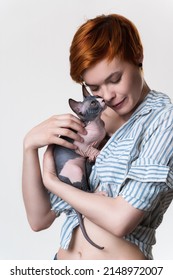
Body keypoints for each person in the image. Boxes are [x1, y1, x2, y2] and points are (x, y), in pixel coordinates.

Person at [22, 13, 173, 260]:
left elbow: (120, 220)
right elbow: (40, 219)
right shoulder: (93, 124)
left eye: (115, 79)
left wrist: (53, 182)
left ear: (138, 56)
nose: (108, 95)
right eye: (95, 88)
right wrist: (29, 146)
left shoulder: (164, 120)